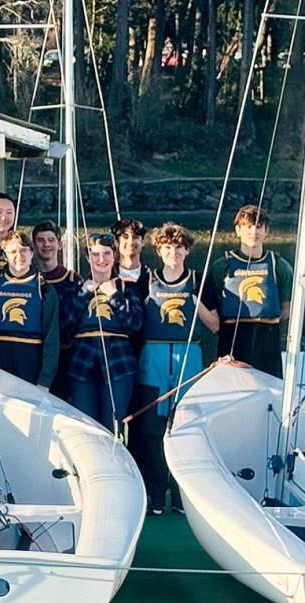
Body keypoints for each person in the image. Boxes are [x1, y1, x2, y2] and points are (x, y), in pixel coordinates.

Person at [131, 223, 220, 515]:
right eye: (168, 247)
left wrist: (194, 302)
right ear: (159, 250)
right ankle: (157, 493)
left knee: (184, 426)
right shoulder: (146, 280)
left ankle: (182, 495)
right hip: (153, 356)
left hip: (188, 355)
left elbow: (215, 325)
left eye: (179, 247)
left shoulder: (198, 280)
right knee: (152, 429)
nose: (174, 252)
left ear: (188, 250)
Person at [61, 233, 143, 431]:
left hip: (119, 363)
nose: (101, 259)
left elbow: (136, 324)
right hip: (82, 363)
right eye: (95, 254)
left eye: (106, 254)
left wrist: (114, 295)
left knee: (114, 423)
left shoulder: (126, 288)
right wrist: (85, 294)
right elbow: (64, 323)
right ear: (87, 258)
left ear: (114, 256)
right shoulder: (75, 288)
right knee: (86, 425)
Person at [208, 204, 293, 377]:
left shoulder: (279, 265)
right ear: (238, 230)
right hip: (233, 338)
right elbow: (212, 304)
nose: (254, 232)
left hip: (267, 338)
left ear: (266, 231)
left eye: (259, 227)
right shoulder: (222, 266)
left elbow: (287, 307)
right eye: (248, 227)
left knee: (269, 387)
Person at [0, 231, 59, 388]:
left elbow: (52, 338)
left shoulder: (44, 289)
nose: (19, 255)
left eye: (23, 250)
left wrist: (45, 380)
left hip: (30, 362)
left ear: (32, 253)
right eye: (13, 251)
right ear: (5, 256)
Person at [32, 220, 82, 399]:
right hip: (35, 354)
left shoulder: (72, 280)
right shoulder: (29, 279)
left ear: (59, 244)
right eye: (41, 240)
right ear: (34, 246)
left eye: (51, 240)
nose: (46, 244)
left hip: (65, 356)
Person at [111, 218, 149, 297]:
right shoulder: (109, 276)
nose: (130, 242)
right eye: (125, 237)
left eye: (135, 237)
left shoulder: (151, 277)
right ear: (116, 242)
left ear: (142, 242)